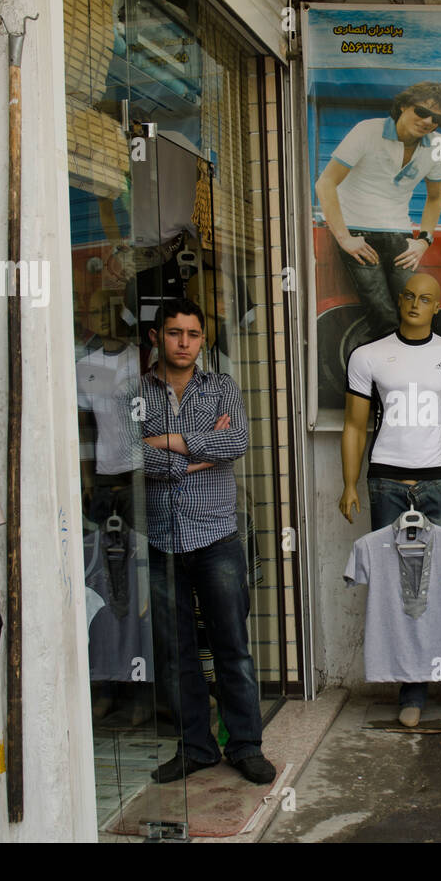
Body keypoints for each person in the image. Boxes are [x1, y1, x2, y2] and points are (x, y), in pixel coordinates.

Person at [340, 272, 441, 727]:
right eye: (409, 296)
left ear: (437, 306)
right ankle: (413, 692)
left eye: (426, 298)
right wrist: (349, 484)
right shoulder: (368, 356)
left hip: (435, 484)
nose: (415, 304)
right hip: (385, 483)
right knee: (400, 592)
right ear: (400, 300)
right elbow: (353, 426)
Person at [139, 297, 276, 785]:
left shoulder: (222, 388)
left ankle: (245, 745)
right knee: (175, 654)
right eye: (174, 332)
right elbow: (125, 456)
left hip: (216, 535)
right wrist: (197, 450)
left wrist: (166, 443)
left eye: (193, 334)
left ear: (203, 340)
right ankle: (196, 747)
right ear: (157, 336)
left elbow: (236, 443)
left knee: (231, 647)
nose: (184, 342)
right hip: (159, 540)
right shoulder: (135, 394)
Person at [315, 81, 441, 341]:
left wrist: (424, 241)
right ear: (404, 105)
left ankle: (418, 376)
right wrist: (344, 237)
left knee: (416, 312)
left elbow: (435, 198)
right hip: (358, 231)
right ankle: (392, 377)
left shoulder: (438, 144)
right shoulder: (367, 131)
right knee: (383, 315)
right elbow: (325, 183)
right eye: (421, 111)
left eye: (436, 118)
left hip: (399, 233)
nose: (427, 121)